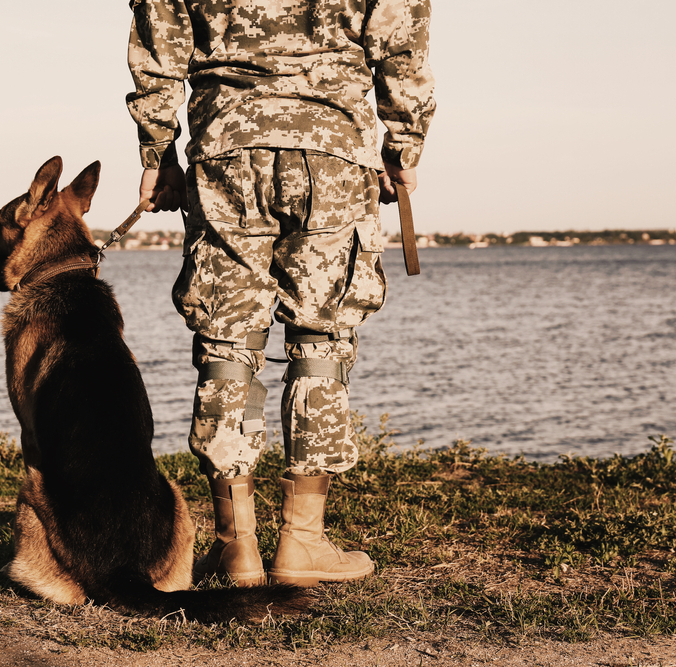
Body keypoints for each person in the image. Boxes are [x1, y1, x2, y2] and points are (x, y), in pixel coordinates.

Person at [127, 0, 435, 587]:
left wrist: (157, 153)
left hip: (227, 147)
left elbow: (157, 46)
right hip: (333, 147)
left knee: (227, 340)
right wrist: (403, 150)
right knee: (322, 337)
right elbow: (403, 43)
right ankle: (302, 541)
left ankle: (235, 546)